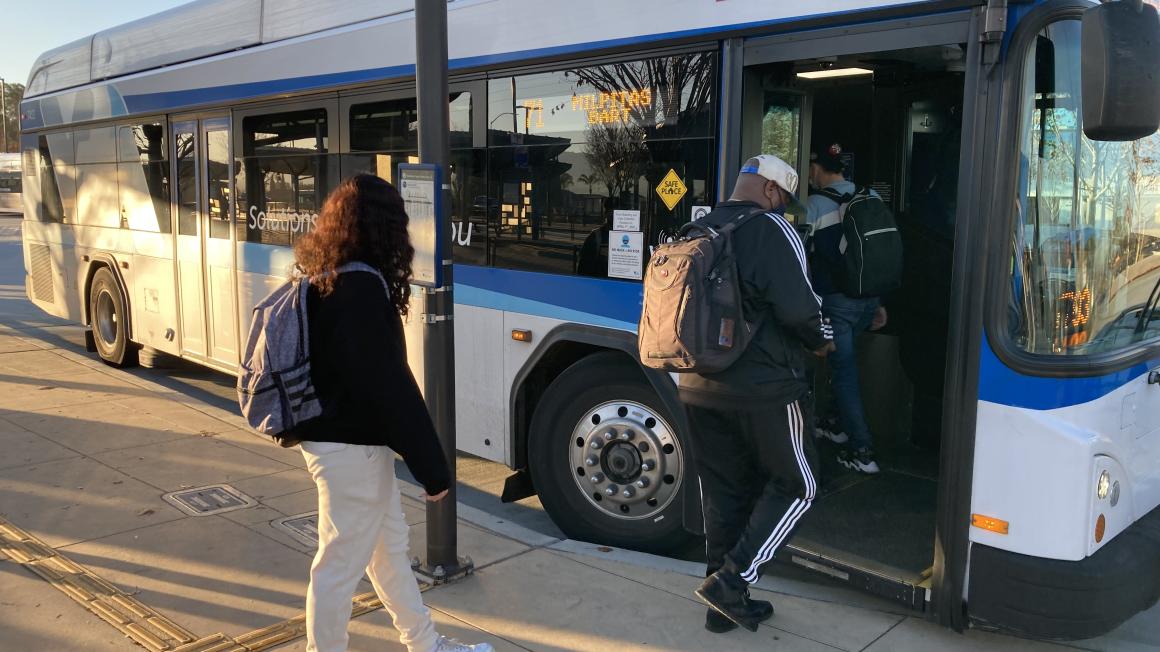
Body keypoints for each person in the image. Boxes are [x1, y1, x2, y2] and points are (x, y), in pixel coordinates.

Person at [290, 174, 492, 652]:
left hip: (346, 442)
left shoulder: (328, 275)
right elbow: (391, 389)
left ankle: (425, 643)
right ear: (384, 228)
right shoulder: (358, 289)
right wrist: (433, 469)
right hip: (348, 448)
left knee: (388, 552)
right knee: (338, 564)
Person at [680, 155, 834, 633]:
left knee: (726, 491)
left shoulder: (697, 227)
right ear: (771, 190)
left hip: (696, 384)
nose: (784, 207)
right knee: (799, 485)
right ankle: (732, 582)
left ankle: (720, 606)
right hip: (764, 387)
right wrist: (823, 340)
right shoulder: (772, 228)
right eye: (784, 198)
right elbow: (801, 310)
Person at [805, 143, 887, 474]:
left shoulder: (814, 204)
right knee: (847, 369)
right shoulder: (871, 198)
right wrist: (878, 302)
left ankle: (862, 450)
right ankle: (837, 426)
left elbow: (796, 250)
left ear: (817, 170)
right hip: (867, 300)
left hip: (836, 303)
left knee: (844, 374)